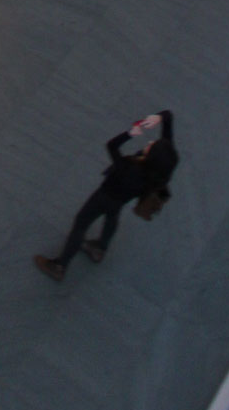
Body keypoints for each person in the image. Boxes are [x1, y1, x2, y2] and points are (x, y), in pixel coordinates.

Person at [34, 110, 178, 281]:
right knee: (112, 216)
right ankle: (99, 248)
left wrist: (130, 134)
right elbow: (168, 118)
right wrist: (160, 117)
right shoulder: (164, 168)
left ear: (151, 156)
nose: (150, 142)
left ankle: (60, 266)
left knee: (81, 224)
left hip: (103, 196)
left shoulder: (129, 168)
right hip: (121, 200)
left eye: (151, 146)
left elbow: (111, 145)